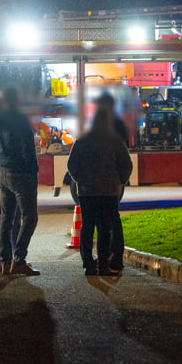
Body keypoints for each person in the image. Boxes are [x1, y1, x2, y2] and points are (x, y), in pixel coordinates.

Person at [67, 108, 133, 276]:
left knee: (87, 227)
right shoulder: (115, 141)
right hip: (109, 191)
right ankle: (103, 266)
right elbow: (127, 164)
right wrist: (120, 181)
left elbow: (71, 165)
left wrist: (79, 180)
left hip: (87, 191)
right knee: (104, 228)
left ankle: (89, 265)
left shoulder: (82, 141)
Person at [0, 87, 40, 275]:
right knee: (29, 217)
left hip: (2, 172)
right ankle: (19, 259)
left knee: (6, 217)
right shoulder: (21, 120)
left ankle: (4, 261)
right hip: (21, 173)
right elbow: (28, 150)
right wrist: (33, 172)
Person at [96, 92, 128, 272]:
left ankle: (111, 257)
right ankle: (113, 257)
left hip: (106, 181)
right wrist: (121, 179)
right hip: (112, 181)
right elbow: (126, 157)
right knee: (111, 218)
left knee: (107, 220)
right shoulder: (117, 123)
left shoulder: (101, 125)